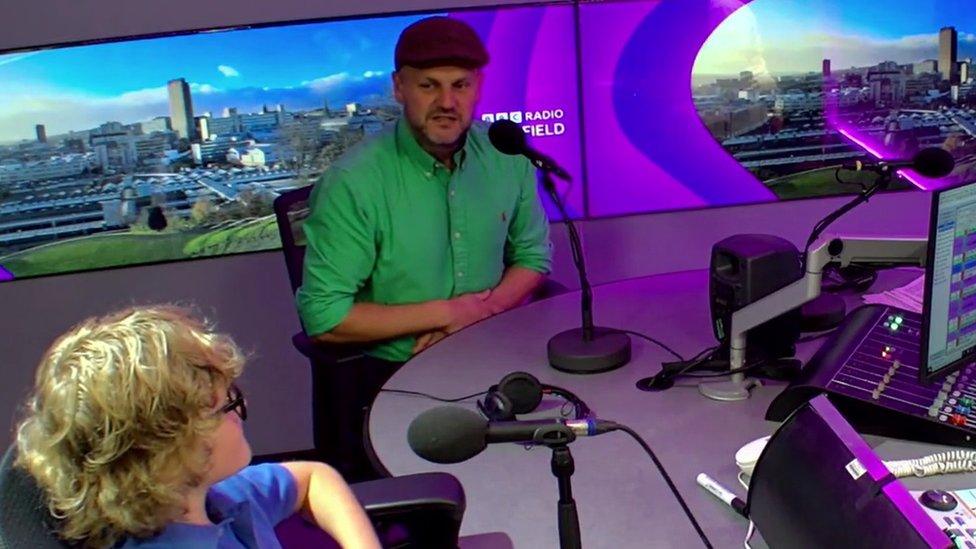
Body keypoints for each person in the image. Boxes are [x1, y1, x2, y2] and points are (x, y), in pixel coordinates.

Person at [294, 16, 553, 474]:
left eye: (461, 85)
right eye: (429, 86)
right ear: (399, 88)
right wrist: (449, 315)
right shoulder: (354, 184)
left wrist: (478, 316)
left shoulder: (506, 160)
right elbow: (325, 317)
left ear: (479, 88)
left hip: (495, 352)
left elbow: (533, 259)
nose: (447, 102)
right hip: (394, 375)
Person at [14, 305, 380, 549]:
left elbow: (314, 478)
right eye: (226, 407)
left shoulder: (215, 500)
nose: (242, 409)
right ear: (170, 453)